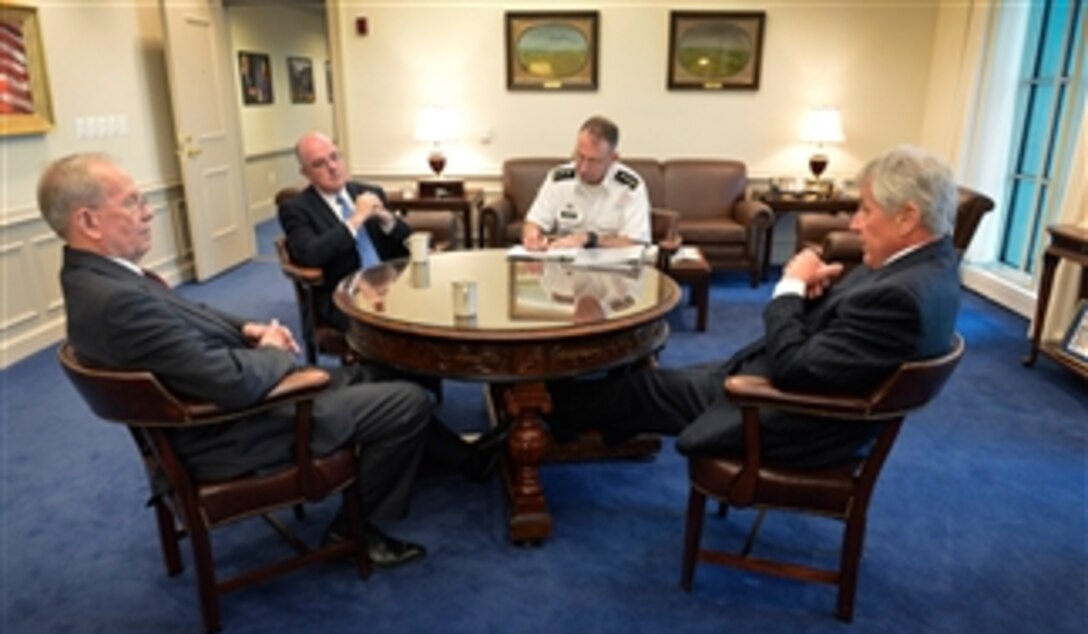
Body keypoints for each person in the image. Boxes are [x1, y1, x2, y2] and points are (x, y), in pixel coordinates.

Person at [39, 153, 498, 570]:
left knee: (376, 372)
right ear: (88, 220)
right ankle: (355, 529)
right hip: (235, 427)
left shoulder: (100, 279)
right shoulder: (116, 302)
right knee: (407, 401)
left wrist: (250, 329)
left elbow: (195, 314)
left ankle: (465, 459)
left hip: (225, 399)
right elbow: (232, 385)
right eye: (134, 202)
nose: (149, 210)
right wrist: (274, 352)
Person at [547, 145, 962, 468]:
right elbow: (847, 333)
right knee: (665, 378)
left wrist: (790, 287)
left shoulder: (899, 298)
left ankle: (544, 416)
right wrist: (815, 298)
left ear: (908, 217)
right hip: (796, 393)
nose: (854, 223)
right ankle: (593, 422)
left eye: (866, 210)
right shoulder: (930, 269)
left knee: (642, 387)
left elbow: (794, 367)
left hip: (783, 415)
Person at [278, 132, 414, 332]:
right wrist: (355, 220)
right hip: (343, 294)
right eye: (319, 164)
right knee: (390, 327)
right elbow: (310, 254)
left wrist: (387, 219)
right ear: (305, 173)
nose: (332, 168)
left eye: (334, 157)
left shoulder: (369, 192)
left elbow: (408, 240)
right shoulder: (296, 209)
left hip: (390, 282)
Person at [521, 115, 651, 252]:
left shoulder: (630, 187)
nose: (583, 168)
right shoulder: (558, 179)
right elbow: (534, 222)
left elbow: (637, 243)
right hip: (565, 268)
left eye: (594, 161)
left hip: (612, 268)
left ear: (613, 159)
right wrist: (532, 235)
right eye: (580, 156)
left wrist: (590, 240)